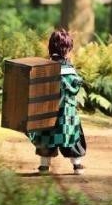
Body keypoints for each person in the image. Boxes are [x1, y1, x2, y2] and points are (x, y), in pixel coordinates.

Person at [28, 29, 86, 174]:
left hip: (47, 113)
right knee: (73, 136)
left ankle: (44, 166)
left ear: (50, 48)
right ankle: (77, 165)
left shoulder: (44, 69)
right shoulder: (70, 71)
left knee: (45, 137)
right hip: (67, 114)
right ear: (67, 49)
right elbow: (74, 88)